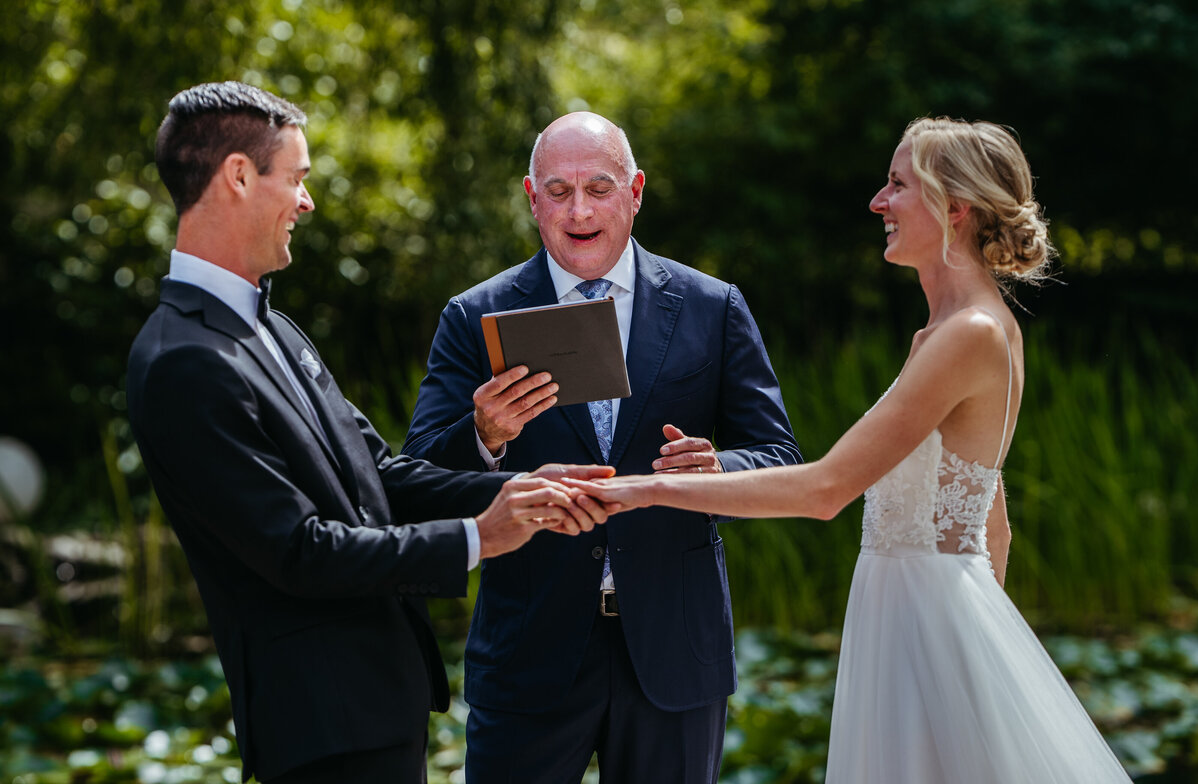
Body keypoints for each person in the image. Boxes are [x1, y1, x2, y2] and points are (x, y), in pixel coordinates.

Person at [571, 117, 1133, 783]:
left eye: (897, 184)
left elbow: (825, 489)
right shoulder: (955, 331)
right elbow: (994, 524)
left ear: (954, 208)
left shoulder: (970, 333)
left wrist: (642, 489)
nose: (877, 201)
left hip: (928, 620)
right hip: (918, 617)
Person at [126, 81, 613, 784]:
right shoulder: (182, 359)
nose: (306, 201)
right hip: (321, 733)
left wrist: (522, 487)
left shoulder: (271, 326)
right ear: (238, 176)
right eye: (295, 177)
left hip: (378, 711)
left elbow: (377, 474)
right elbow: (298, 552)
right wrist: (480, 537)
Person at [401, 111, 801, 783]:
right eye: (558, 191)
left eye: (599, 188)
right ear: (532, 199)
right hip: (528, 654)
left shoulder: (712, 306)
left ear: (635, 192)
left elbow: (779, 456)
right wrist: (484, 436)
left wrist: (717, 470)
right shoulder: (474, 315)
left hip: (675, 652)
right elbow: (416, 479)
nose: (579, 210)